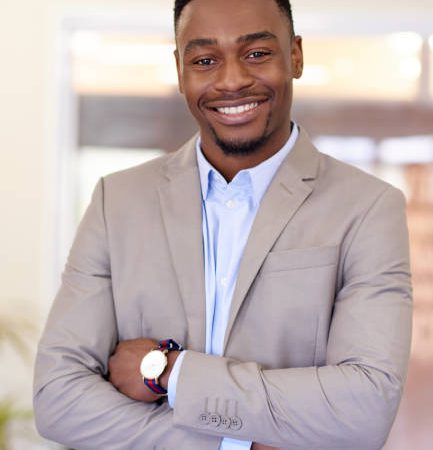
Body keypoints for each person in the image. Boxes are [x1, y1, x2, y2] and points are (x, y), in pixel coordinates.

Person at [33, 0, 412, 449]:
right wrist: (233, 444)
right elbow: (56, 397)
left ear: (295, 56)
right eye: (205, 60)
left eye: (256, 54)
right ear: (180, 71)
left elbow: (365, 407)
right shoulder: (115, 201)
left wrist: (170, 372)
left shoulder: (369, 208)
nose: (231, 80)